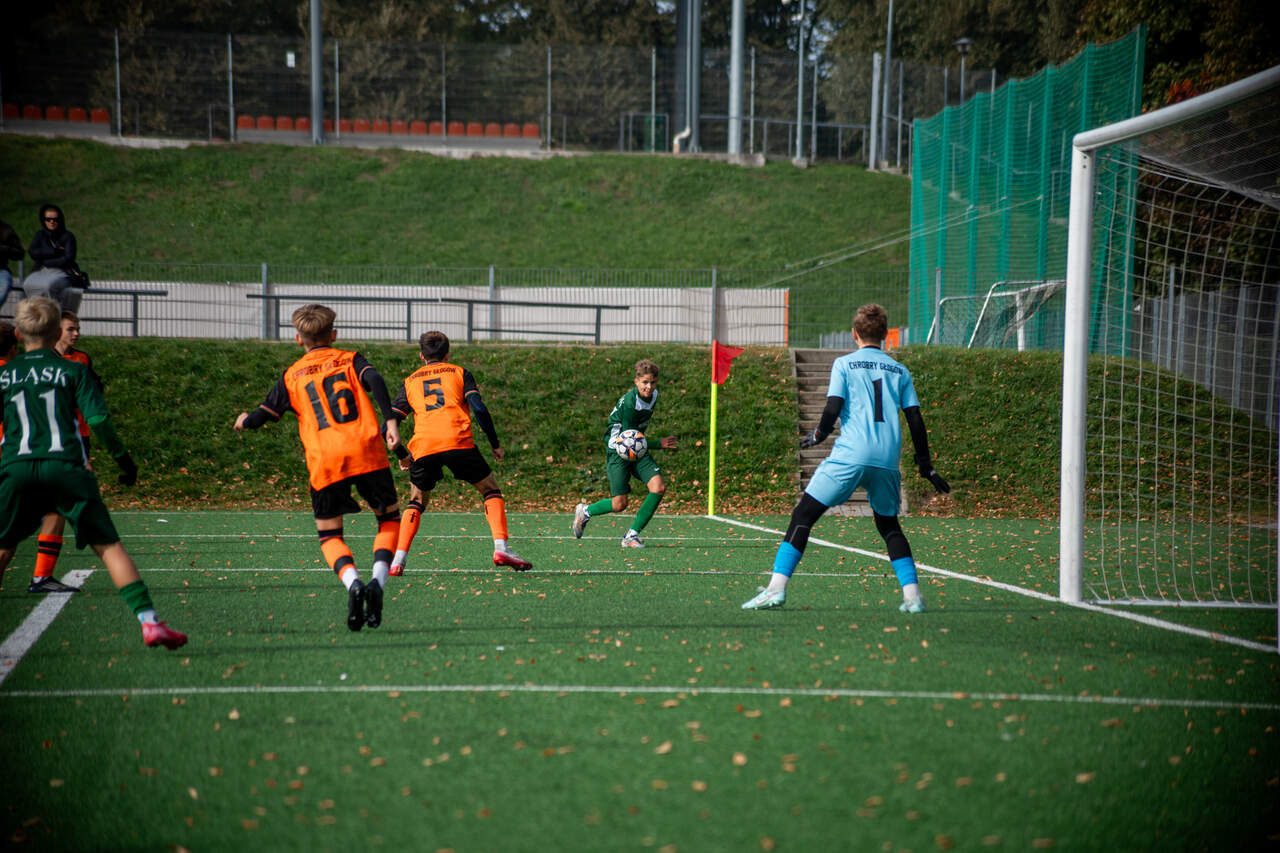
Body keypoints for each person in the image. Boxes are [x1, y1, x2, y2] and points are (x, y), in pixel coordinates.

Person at [0, 297, 185, 648]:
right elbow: (97, 419)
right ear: (56, 332)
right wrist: (124, 461)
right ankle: (149, 622)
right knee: (110, 547)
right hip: (66, 467)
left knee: (3, 547)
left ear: (20, 335)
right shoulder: (74, 370)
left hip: (16, 468)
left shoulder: (4, 374)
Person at [742, 303, 951, 613]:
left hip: (851, 455)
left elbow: (832, 407)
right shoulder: (900, 370)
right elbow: (915, 419)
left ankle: (775, 589)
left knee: (803, 516)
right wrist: (926, 465)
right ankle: (913, 597)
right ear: (885, 334)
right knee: (889, 525)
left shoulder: (844, 364)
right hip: (887, 459)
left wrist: (819, 435)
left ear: (854, 334)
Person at [234, 304, 402, 632]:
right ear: (334, 334)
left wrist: (245, 421)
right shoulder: (350, 359)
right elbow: (375, 379)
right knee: (388, 520)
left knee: (330, 535)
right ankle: (377, 584)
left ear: (299, 339)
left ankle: (353, 583)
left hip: (325, 460)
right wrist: (391, 420)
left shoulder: (292, 375)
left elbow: (264, 414)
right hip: (366, 450)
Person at [387, 330, 531, 575]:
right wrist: (494, 443)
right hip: (457, 441)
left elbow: (388, 425)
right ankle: (501, 548)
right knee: (490, 489)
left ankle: (398, 560)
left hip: (423, 446)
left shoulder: (409, 381)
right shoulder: (460, 373)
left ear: (422, 356)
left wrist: (401, 454)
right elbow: (479, 408)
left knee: (416, 500)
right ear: (448, 354)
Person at [27, 311, 108, 594]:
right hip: (47, 443)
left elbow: (94, 392)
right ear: (55, 331)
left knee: (57, 509)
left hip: (77, 439)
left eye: (78, 329)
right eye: (70, 329)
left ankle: (42, 576)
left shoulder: (81, 359)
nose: (76, 334)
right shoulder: (39, 363)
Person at [572, 358, 678, 549]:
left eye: (653, 382)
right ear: (636, 381)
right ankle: (585, 512)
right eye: (645, 382)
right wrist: (657, 444)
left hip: (636, 447)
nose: (649, 387)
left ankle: (631, 536)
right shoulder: (630, 403)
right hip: (618, 450)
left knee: (658, 487)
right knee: (619, 504)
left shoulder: (653, 395)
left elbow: (635, 439)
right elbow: (628, 440)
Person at [24, 204, 85, 312]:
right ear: (43, 220)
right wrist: (54, 251)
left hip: (62, 271)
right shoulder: (40, 234)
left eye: (55, 219)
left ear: (60, 220)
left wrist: (45, 260)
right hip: (42, 270)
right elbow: (33, 252)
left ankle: (51, 313)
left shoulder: (68, 236)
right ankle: (35, 312)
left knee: (49, 285)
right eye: (48, 219)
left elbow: (68, 258)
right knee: (27, 283)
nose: (52, 222)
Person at [0, 219, 23, 309]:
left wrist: (2, 249)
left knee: (4, 284)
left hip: (1, 271)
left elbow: (19, 254)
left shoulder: (5, 229)